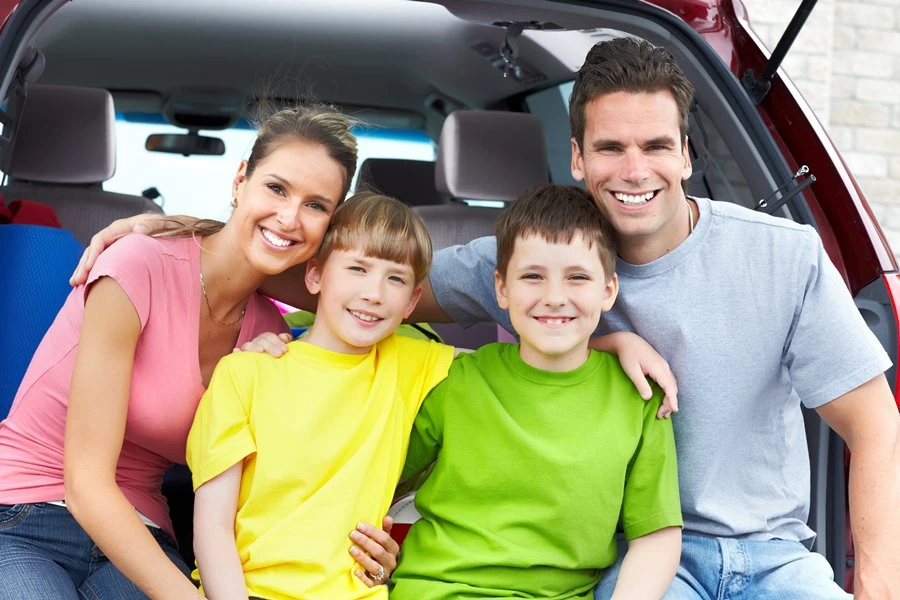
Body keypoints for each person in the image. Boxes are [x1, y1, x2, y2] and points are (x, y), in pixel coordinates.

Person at [73, 36, 900, 598]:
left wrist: (876, 586)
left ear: (687, 154)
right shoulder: (514, 256)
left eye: (656, 146)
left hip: (773, 551)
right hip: (633, 557)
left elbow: (874, 427)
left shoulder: (785, 256)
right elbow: (354, 286)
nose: (634, 169)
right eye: (609, 148)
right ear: (576, 158)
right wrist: (180, 235)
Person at [0, 105, 398, 600]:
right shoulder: (137, 263)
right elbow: (86, 487)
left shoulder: (270, 339)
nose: (290, 217)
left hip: (141, 532)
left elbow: (283, 493)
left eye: (316, 205)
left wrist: (361, 552)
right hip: (24, 513)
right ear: (240, 181)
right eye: (276, 188)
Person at [390, 183, 682, 600]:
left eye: (577, 277)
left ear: (608, 290)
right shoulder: (457, 380)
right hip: (437, 589)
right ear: (501, 288)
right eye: (532, 277)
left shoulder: (639, 397)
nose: (554, 297)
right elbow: (375, 477)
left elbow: (655, 536)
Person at [186, 192, 455, 600]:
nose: (374, 293)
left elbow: (530, 359)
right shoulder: (245, 373)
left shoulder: (411, 362)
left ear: (412, 302)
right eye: (357, 269)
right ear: (314, 276)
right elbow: (212, 528)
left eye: (396, 279)